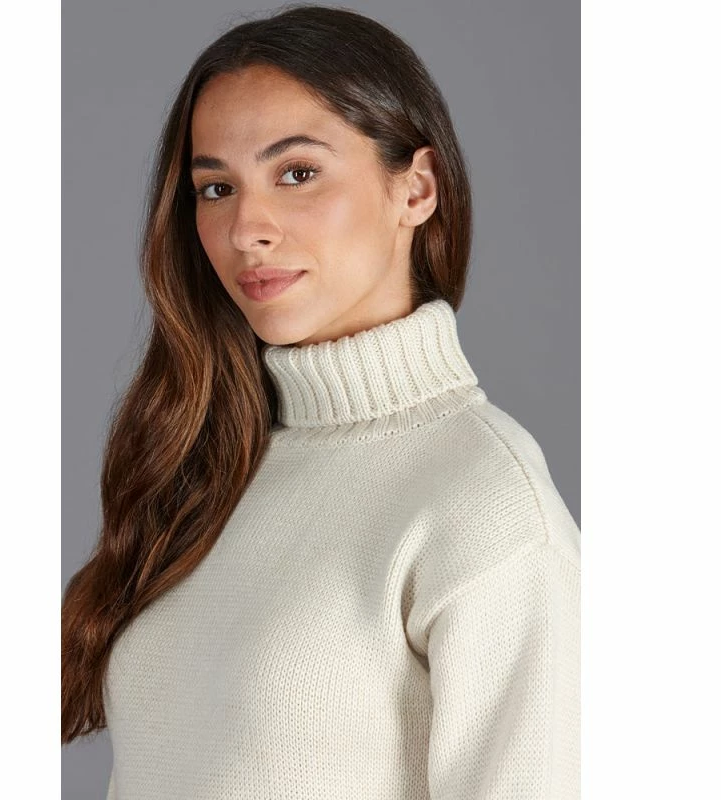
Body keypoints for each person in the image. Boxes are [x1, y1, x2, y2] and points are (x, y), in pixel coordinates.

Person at [61, 4, 581, 798]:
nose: (247, 228)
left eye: (298, 173)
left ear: (417, 189)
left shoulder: (485, 503)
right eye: (216, 187)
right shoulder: (211, 467)